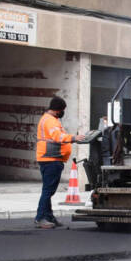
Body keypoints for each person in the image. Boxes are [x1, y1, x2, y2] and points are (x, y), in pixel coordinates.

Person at [35, 96, 83, 229]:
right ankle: (40, 218)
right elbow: (58, 137)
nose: (63, 113)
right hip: (50, 159)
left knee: (48, 190)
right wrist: (74, 138)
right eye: (62, 110)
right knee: (48, 190)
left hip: (51, 158)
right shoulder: (50, 121)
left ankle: (48, 216)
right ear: (58, 110)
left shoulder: (50, 119)